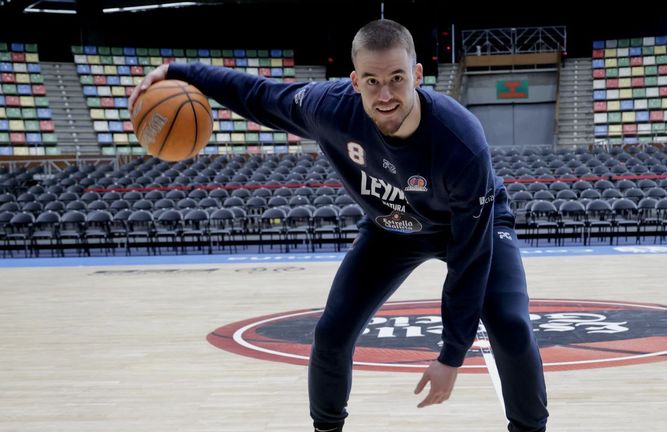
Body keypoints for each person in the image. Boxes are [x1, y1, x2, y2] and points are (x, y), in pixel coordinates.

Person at [129, 18, 548, 432]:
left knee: (510, 327)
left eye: (397, 78)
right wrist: (179, 72)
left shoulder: (461, 142)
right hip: (392, 228)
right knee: (331, 334)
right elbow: (259, 95)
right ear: (354, 81)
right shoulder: (328, 108)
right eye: (371, 81)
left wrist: (452, 355)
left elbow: (470, 262)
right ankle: (327, 429)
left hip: (470, 227)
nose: (384, 94)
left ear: (418, 75)